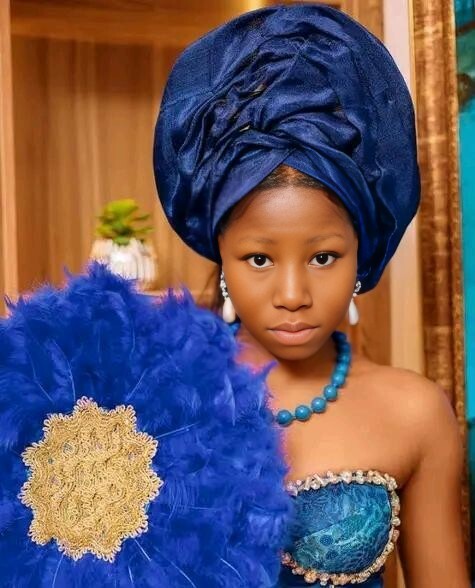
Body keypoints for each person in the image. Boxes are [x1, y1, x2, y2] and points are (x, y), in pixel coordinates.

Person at [153, 3, 470, 586]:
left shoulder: (415, 412)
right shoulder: (156, 396)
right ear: (221, 257)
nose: (293, 294)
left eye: (323, 257)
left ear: (361, 256)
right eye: (259, 259)